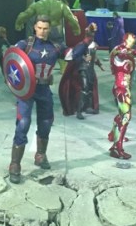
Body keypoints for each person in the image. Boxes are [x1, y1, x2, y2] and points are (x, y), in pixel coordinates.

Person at [8, 15, 90, 184]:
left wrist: (87, 40)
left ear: (50, 29)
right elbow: (11, 60)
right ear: (35, 27)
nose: (42, 31)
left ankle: (40, 155)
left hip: (44, 89)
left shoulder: (56, 47)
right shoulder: (25, 45)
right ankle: (15, 164)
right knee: (23, 123)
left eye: (45, 28)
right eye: (39, 28)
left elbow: (72, 55)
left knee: (46, 123)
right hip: (27, 91)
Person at [108, 32, 136, 159]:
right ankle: (116, 148)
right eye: (130, 41)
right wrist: (135, 52)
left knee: (122, 115)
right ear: (124, 39)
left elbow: (127, 54)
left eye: (133, 42)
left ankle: (114, 135)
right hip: (121, 89)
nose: (131, 43)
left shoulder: (124, 50)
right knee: (126, 117)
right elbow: (122, 54)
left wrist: (134, 53)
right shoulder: (119, 50)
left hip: (123, 88)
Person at [59, 22, 104, 119]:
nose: (92, 35)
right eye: (91, 34)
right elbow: (74, 55)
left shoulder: (93, 44)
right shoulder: (82, 44)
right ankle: (79, 111)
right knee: (84, 89)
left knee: (90, 89)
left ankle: (87, 107)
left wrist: (99, 64)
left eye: (93, 34)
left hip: (90, 69)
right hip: (83, 68)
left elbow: (94, 57)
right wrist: (84, 58)